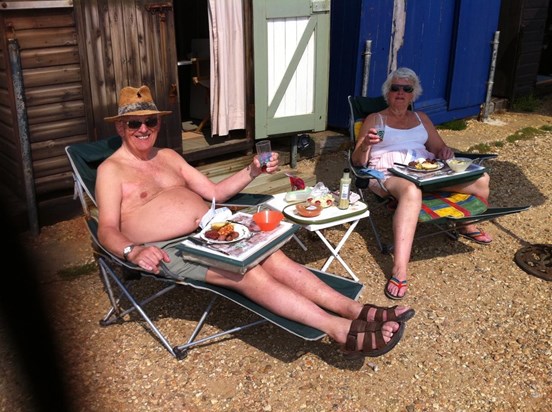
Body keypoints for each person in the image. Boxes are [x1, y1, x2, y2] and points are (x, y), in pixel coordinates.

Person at [96, 85, 416, 358]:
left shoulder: (167, 157)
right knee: (248, 273)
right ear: (120, 127)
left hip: (214, 230)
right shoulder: (111, 171)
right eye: (134, 123)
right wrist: (132, 252)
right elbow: (107, 228)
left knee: (277, 260)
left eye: (149, 121)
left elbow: (215, 192)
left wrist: (252, 171)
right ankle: (339, 330)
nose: (143, 129)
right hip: (169, 248)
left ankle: (353, 310)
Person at [351, 67, 492, 300]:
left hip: (424, 172)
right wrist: (366, 144)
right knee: (410, 191)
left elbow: (438, 147)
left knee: (480, 180)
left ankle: (464, 224)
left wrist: (443, 151)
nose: (400, 92)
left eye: (406, 89)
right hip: (387, 174)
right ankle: (400, 268)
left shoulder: (421, 118)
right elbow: (358, 160)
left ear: (413, 93)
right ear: (387, 92)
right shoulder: (375, 119)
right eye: (395, 88)